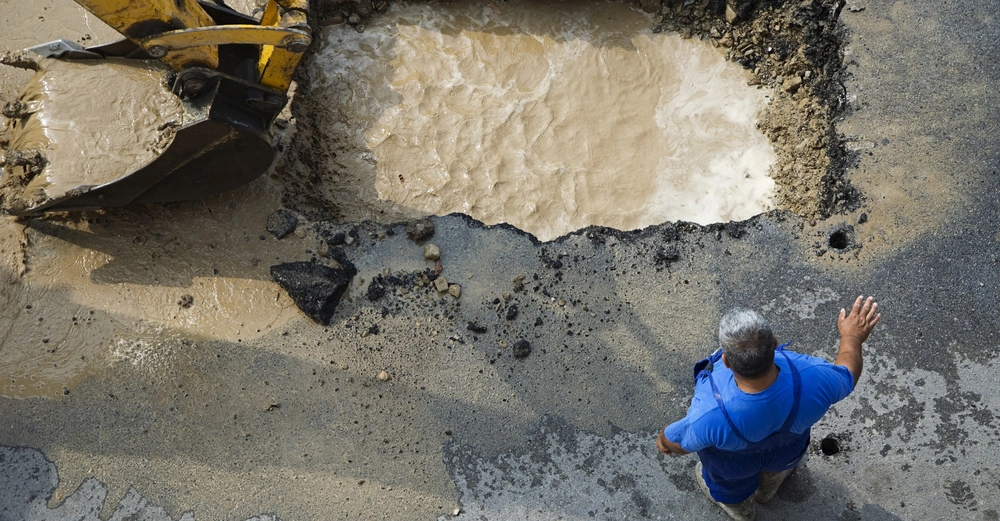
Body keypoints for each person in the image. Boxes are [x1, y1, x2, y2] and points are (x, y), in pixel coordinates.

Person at [656, 296, 881, 521]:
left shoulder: (709, 414)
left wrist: (664, 441)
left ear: (725, 361)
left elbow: (677, 443)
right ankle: (767, 492)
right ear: (774, 343)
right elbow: (848, 372)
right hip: (787, 452)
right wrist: (852, 336)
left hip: (733, 466)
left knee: (731, 490)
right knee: (776, 470)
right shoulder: (814, 377)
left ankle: (743, 513)